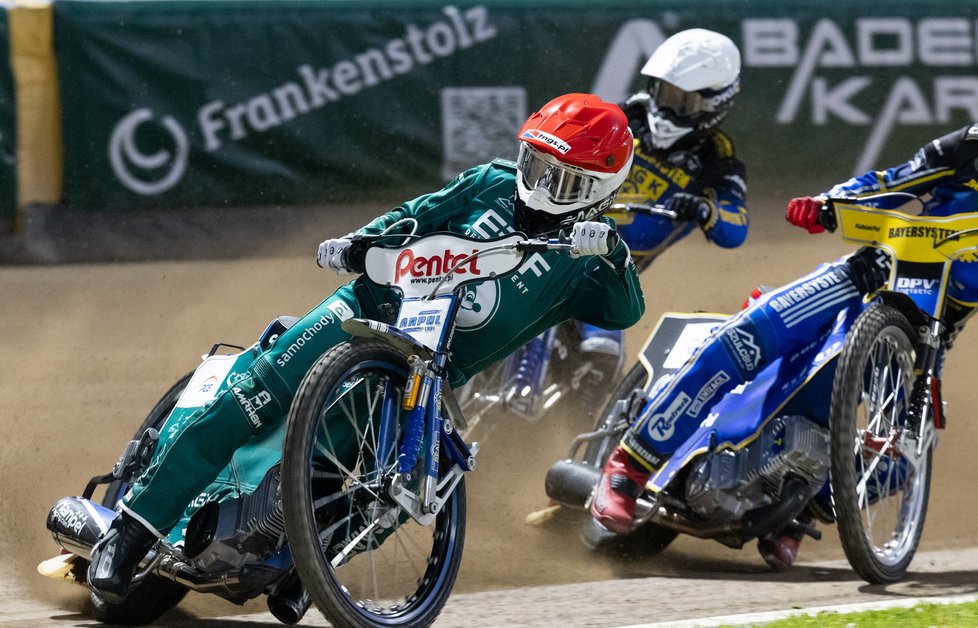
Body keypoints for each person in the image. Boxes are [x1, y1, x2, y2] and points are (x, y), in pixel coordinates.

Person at [88, 93, 645, 606]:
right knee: (252, 396)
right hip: (365, 309)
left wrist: (614, 252)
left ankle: (308, 566)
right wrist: (361, 241)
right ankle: (131, 532)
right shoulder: (492, 182)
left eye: (565, 182)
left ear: (600, 190)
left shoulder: (587, 261)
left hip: (433, 371)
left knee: (394, 485)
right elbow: (417, 214)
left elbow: (626, 312)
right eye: (537, 167)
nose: (542, 188)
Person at [589, 66, 978, 570]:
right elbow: (894, 181)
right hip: (866, 273)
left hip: (931, 329)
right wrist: (829, 202)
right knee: (748, 337)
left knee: (901, 459)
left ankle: (804, 507)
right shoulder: (974, 149)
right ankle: (629, 466)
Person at [575, 27, 749, 392]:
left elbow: (736, 229)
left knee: (602, 360)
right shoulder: (620, 116)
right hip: (556, 236)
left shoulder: (717, 160)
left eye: (683, 102)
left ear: (715, 106)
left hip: (609, 273)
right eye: (663, 93)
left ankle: (567, 443)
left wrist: (705, 210)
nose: (666, 108)